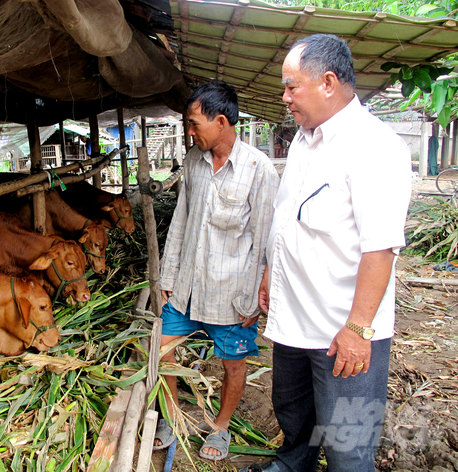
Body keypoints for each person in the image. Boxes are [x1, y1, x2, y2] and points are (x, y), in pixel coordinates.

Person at [243, 35, 411, 472]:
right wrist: (269, 275)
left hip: (341, 328)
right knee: (294, 416)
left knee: (346, 444)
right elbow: (288, 219)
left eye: (291, 86)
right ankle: (291, 464)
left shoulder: (373, 146)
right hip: (294, 319)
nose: (285, 97)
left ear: (329, 82)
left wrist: (357, 329)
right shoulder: (303, 140)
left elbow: (381, 247)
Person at [156, 80, 280, 460]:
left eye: (194, 124)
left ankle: (222, 427)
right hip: (187, 285)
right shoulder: (194, 162)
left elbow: (266, 240)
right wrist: (167, 276)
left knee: (234, 364)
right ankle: (172, 417)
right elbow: (180, 221)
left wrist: (257, 296)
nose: (189, 132)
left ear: (222, 121)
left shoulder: (259, 169)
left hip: (232, 293)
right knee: (162, 349)